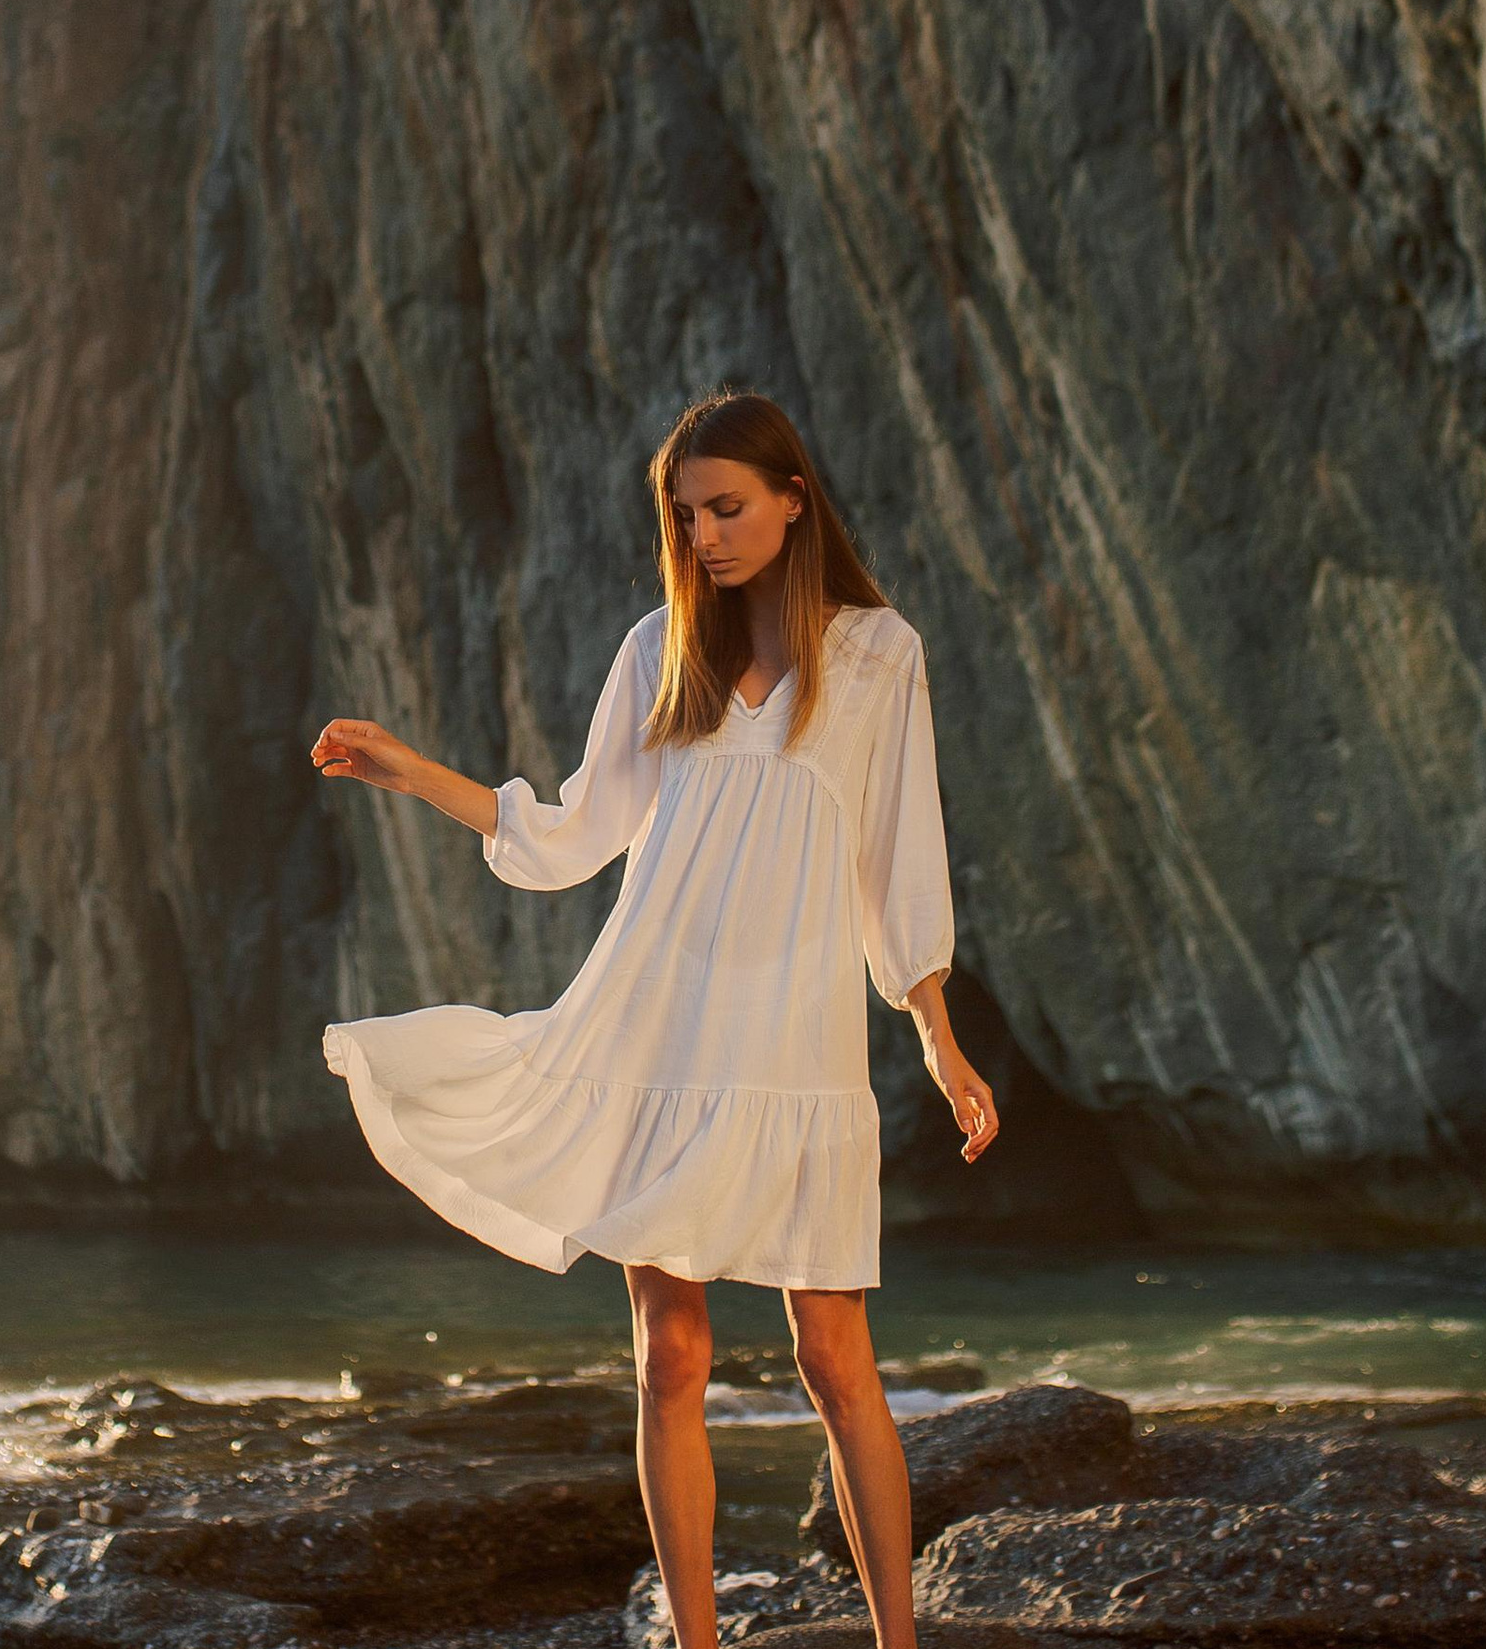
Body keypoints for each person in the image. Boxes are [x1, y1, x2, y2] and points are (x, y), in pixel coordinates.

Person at [314, 386, 997, 1649]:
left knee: (838, 1362)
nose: (706, 538)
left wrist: (934, 1035)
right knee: (669, 1355)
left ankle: (901, 1640)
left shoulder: (876, 653)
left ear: (796, 499)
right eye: (684, 518)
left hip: (794, 1052)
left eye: (727, 508)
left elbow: (900, 863)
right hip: (656, 1032)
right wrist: (411, 771)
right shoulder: (657, 650)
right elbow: (572, 834)